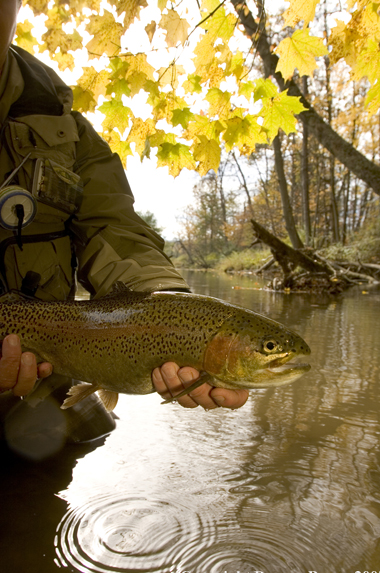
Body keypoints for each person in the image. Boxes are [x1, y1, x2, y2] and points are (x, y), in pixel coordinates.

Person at [0, 0, 248, 449]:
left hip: (42, 369)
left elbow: (112, 227)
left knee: (86, 439)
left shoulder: (67, 130)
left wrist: (170, 308)